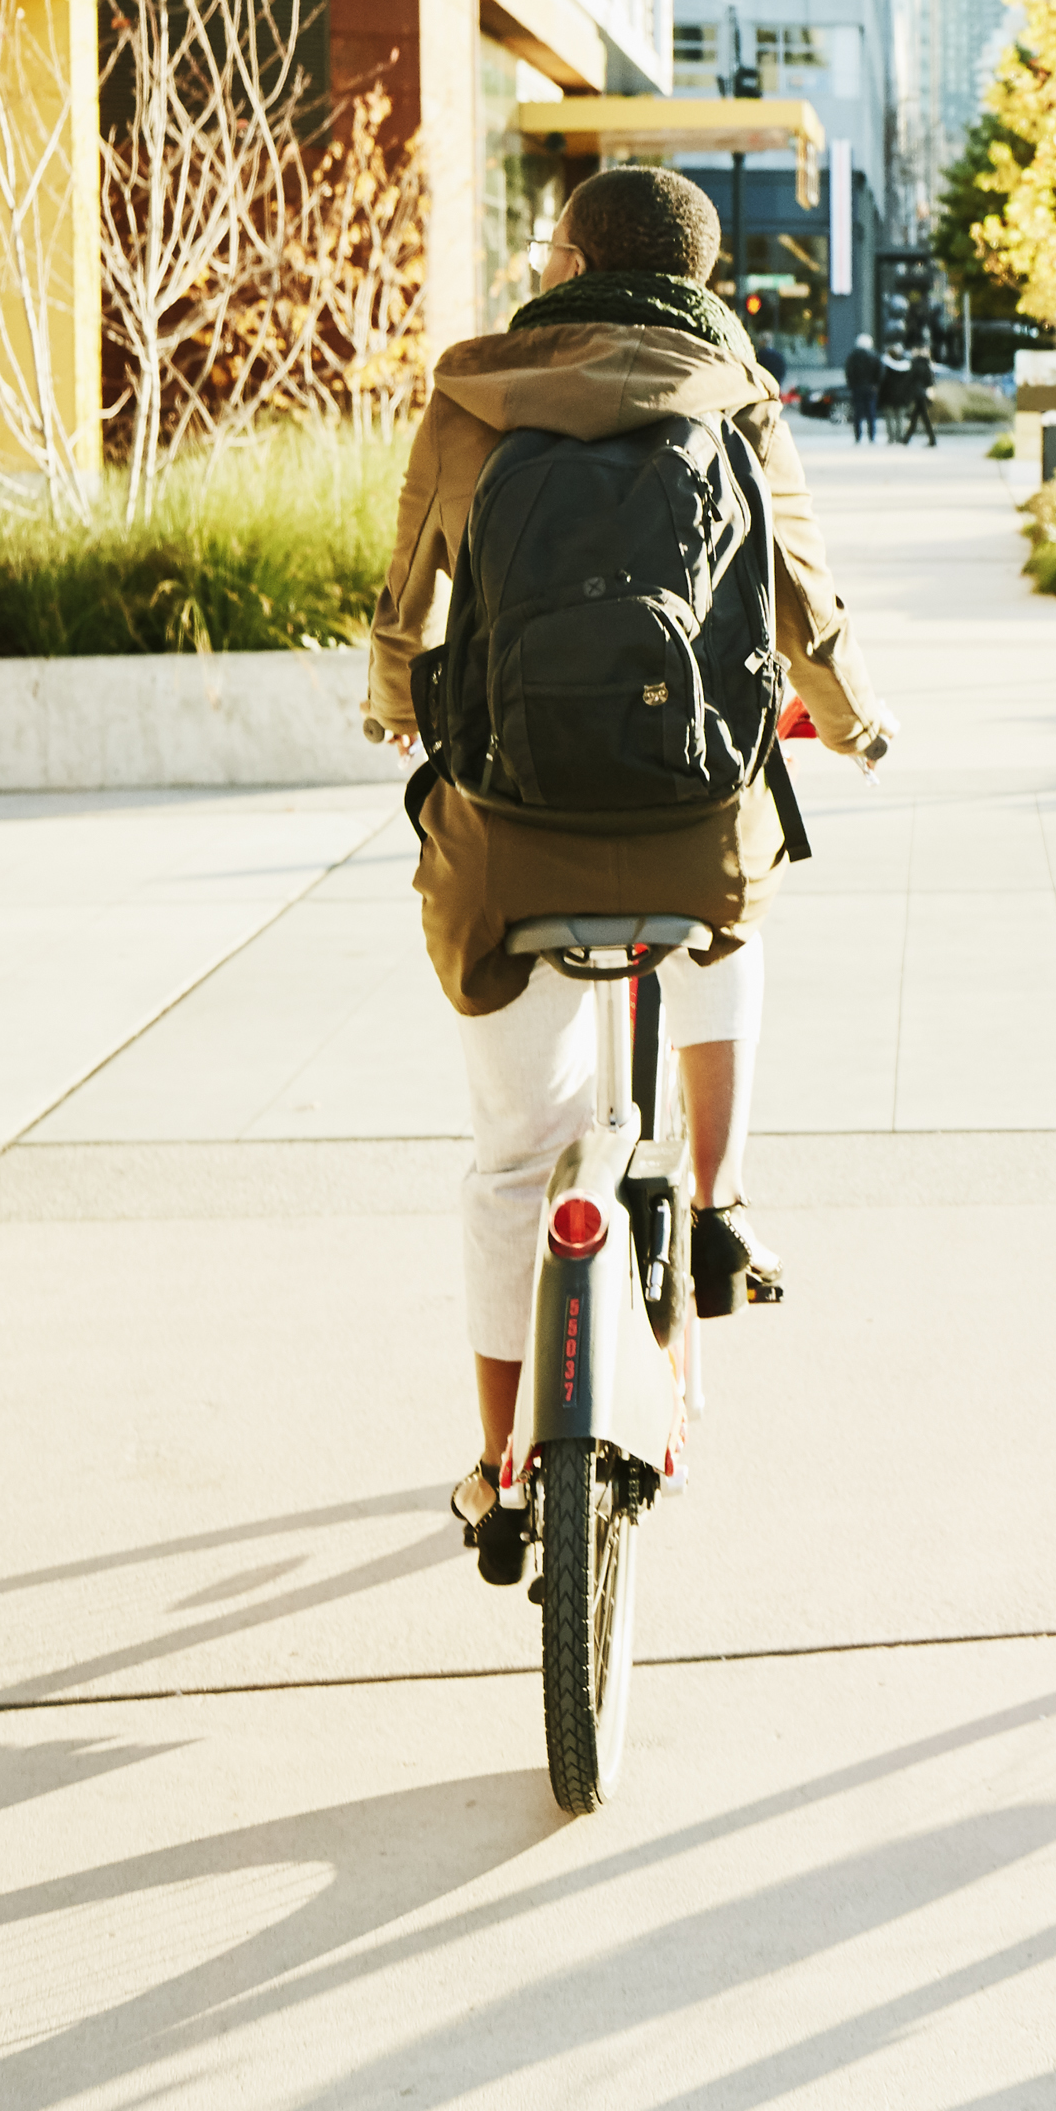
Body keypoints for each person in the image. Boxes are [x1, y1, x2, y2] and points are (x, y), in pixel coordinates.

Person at [367, 164, 893, 1557]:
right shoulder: (732, 392)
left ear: (569, 259)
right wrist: (847, 726)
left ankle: (495, 1467)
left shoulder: (474, 391)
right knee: (739, 897)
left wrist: (390, 693)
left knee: (509, 1162)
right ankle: (715, 1208)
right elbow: (799, 596)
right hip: (687, 835)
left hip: (509, 847)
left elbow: (413, 575)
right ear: (703, 280)